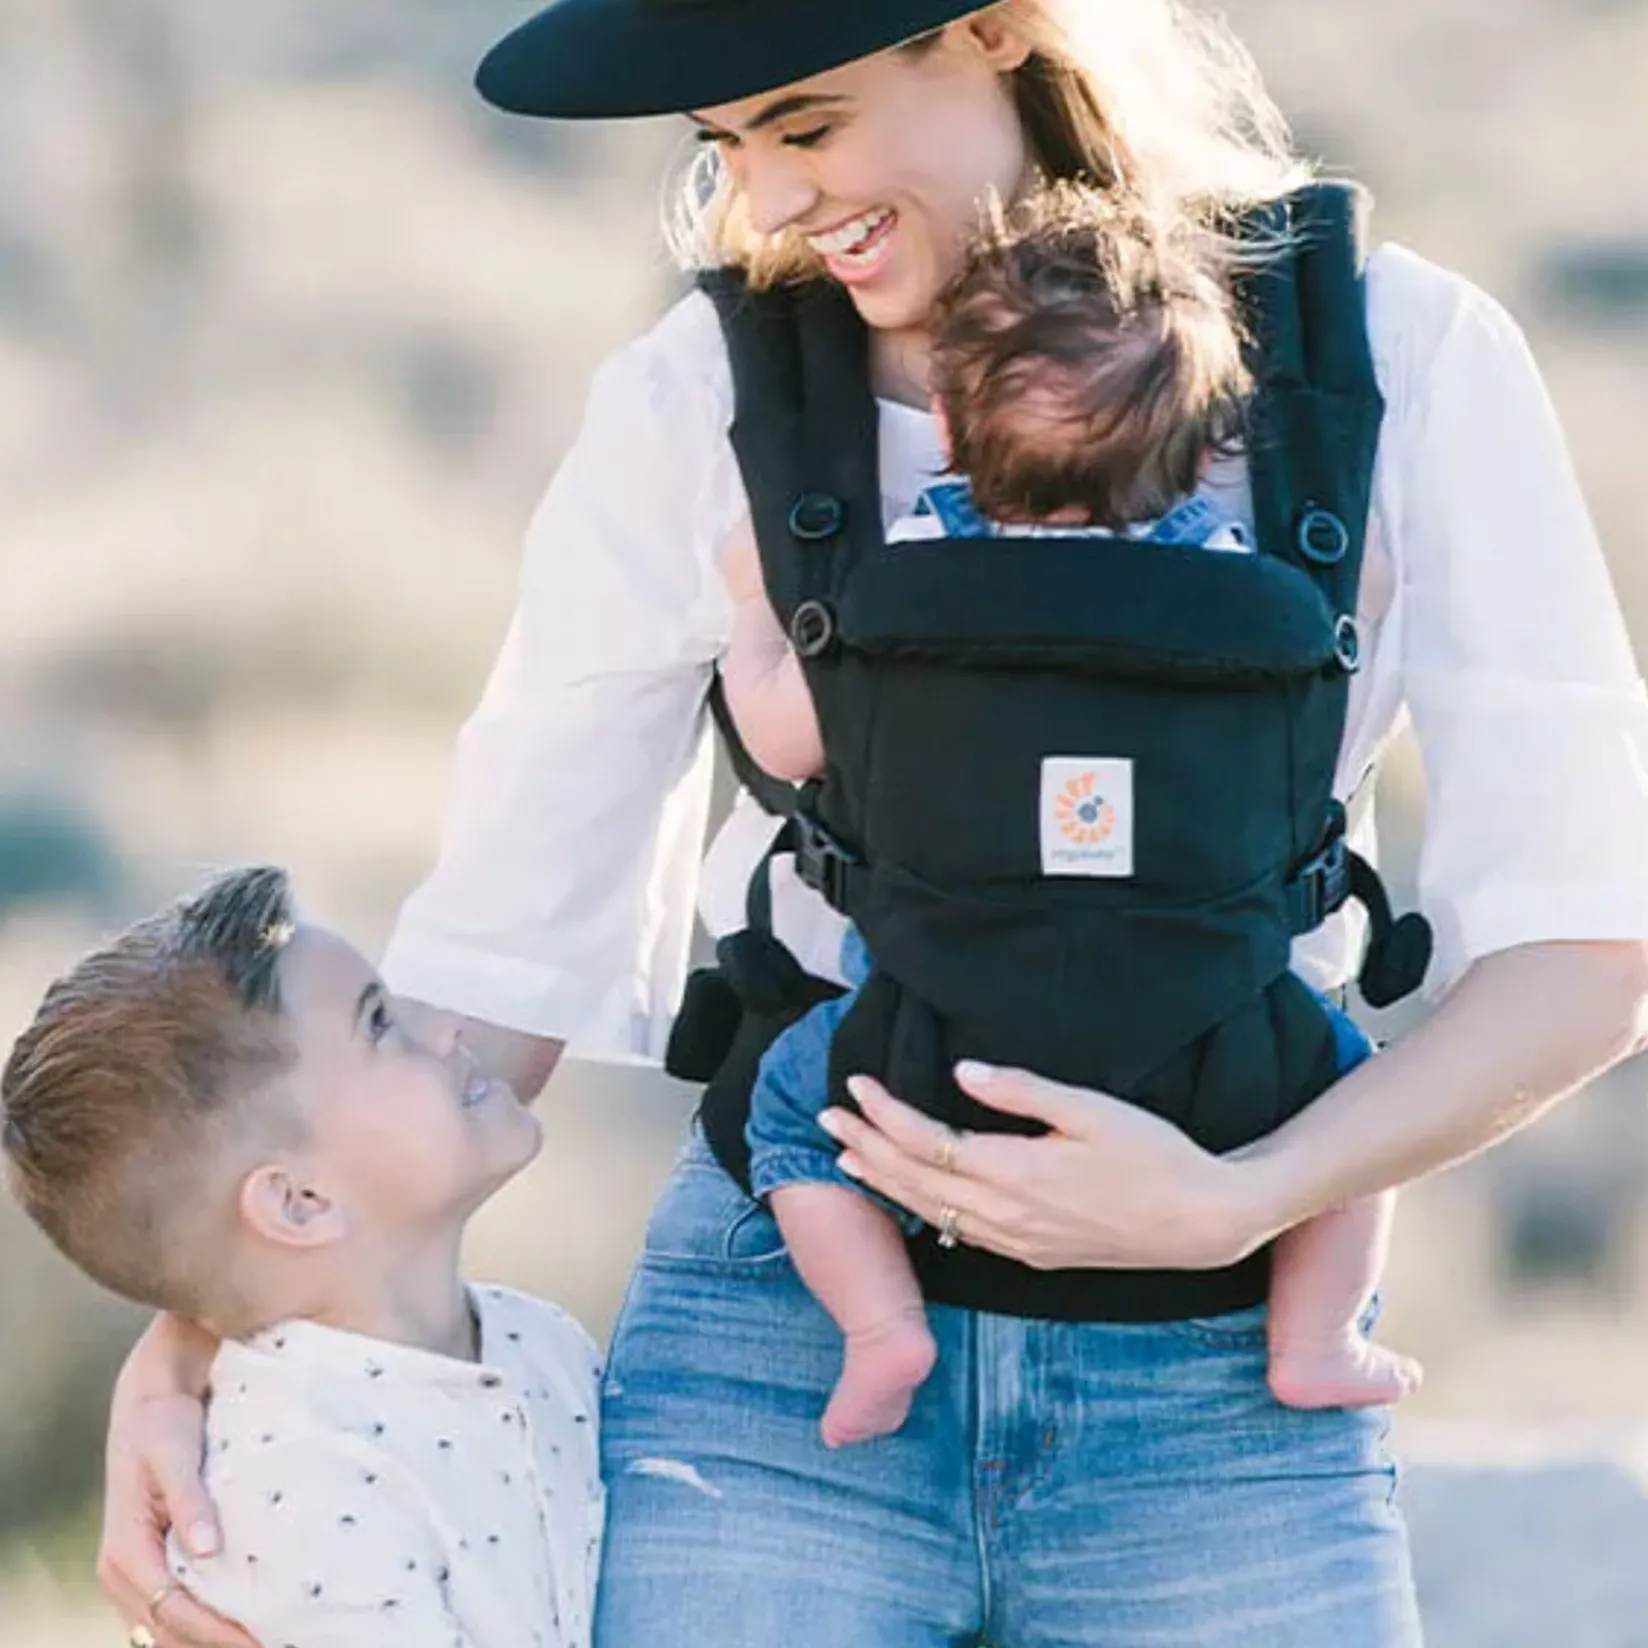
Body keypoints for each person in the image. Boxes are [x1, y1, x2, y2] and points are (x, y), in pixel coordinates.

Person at [94, 3, 1648, 1645]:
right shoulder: (702, 398)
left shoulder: (1390, 361)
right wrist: (215, 1331)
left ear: (996, 31)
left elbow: (1588, 948)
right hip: (781, 1353)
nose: (767, 201)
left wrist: (1244, 1197)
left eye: (808, 124)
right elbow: (507, 948)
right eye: (726, 144)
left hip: (1227, 1374)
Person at [726, 181, 1416, 1448]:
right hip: (1222, 1051)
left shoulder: (899, 592)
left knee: (782, 1112)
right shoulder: (1247, 594)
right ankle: (1315, 1339)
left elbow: (782, 737)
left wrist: (750, 620)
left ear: (944, 424)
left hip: (929, 1045)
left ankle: (881, 1329)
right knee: (1355, 1106)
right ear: (1210, 445)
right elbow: (1345, 651)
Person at [1, 867, 602, 1648]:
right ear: (300, 1202)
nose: (450, 1024)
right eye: (380, 1023)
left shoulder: (542, 1340)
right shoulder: (295, 1492)